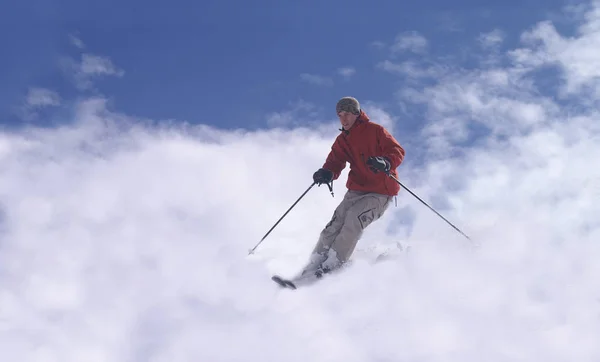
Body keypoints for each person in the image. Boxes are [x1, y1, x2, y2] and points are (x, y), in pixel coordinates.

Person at [299, 96, 406, 279]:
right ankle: (315, 263)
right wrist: (327, 172)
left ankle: (333, 265)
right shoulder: (343, 140)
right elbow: (335, 161)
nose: (344, 119)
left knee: (353, 219)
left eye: (347, 114)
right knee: (335, 223)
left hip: (381, 191)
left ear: (356, 113)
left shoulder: (375, 131)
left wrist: (385, 162)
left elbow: (397, 150)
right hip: (357, 189)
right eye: (340, 115)